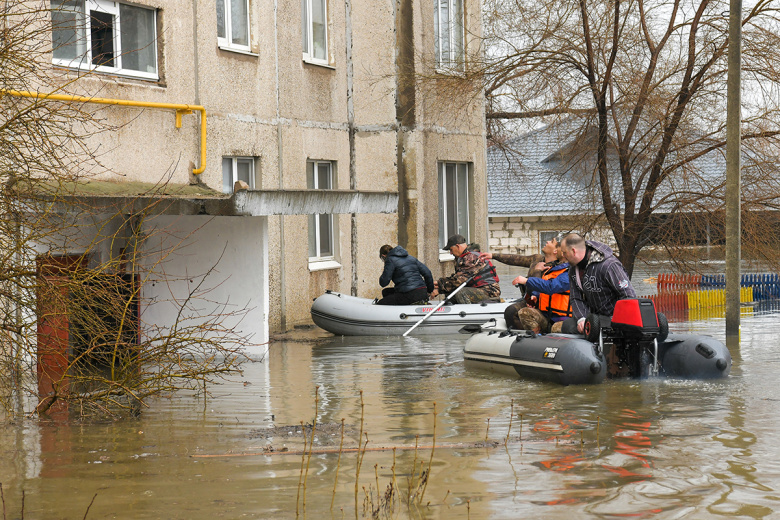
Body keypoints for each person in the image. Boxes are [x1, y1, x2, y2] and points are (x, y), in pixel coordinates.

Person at [481, 234, 571, 332]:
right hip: (531, 300)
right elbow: (515, 259)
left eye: (552, 242)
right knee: (510, 311)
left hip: (548, 306)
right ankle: (522, 337)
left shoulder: (563, 269)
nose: (547, 242)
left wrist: (537, 271)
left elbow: (549, 286)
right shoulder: (537, 259)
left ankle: (538, 335)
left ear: (556, 251)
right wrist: (493, 256)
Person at [558, 233, 636, 334]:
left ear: (573, 251)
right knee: (568, 326)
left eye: (564, 253)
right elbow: (575, 298)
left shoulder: (609, 265)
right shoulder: (573, 270)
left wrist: (617, 320)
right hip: (592, 318)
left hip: (613, 319)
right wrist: (581, 319)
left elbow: (628, 295)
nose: (563, 256)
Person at [432, 234, 501, 304]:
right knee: (450, 293)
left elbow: (458, 281)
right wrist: (437, 285)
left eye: (451, 250)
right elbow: (455, 278)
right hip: (478, 289)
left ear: (458, 246)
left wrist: (439, 288)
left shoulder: (471, 258)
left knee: (461, 293)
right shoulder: (465, 257)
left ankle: (467, 313)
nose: (451, 253)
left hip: (489, 291)